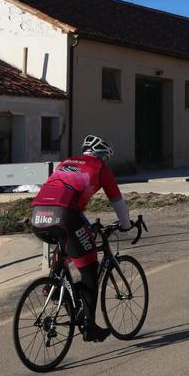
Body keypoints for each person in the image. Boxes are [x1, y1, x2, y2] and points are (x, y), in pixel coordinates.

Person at [30, 135, 131, 342]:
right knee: (90, 270)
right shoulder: (100, 168)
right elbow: (117, 202)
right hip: (65, 215)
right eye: (106, 158)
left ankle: (54, 285)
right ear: (103, 155)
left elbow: (63, 196)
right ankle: (89, 327)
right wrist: (126, 225)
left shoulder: (67, 162)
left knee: (67, 240)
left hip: (37, 215)